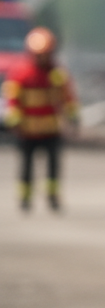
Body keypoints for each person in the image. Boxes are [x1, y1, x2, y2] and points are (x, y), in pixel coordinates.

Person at [3, 27, 78, 212]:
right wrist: (13, 119)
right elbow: (12, 100)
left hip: (51, 129)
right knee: (26, 167)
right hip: (28, 130)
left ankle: (52, 197)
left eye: (46, 54)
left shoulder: (57, 74)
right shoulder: (21, 74)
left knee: (53, 167)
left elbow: (68, 98)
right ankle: (25, 198)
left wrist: (73, 117)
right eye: (39, 54)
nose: (42, 58)